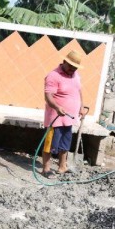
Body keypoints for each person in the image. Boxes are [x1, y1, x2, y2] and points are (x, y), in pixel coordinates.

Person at [41, 50, 85, 178]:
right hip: (55, 118)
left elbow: (79, 90)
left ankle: (62, 167)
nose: (73, 69)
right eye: (71, 66)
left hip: (69, 118)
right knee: (50, 144)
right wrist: (56, 107)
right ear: (64, 62)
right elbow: (48, 97)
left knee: (65, 144)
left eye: (75, 67)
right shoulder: (53, 76)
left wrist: (81, 106)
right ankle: (46, 169)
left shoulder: (76, 75)